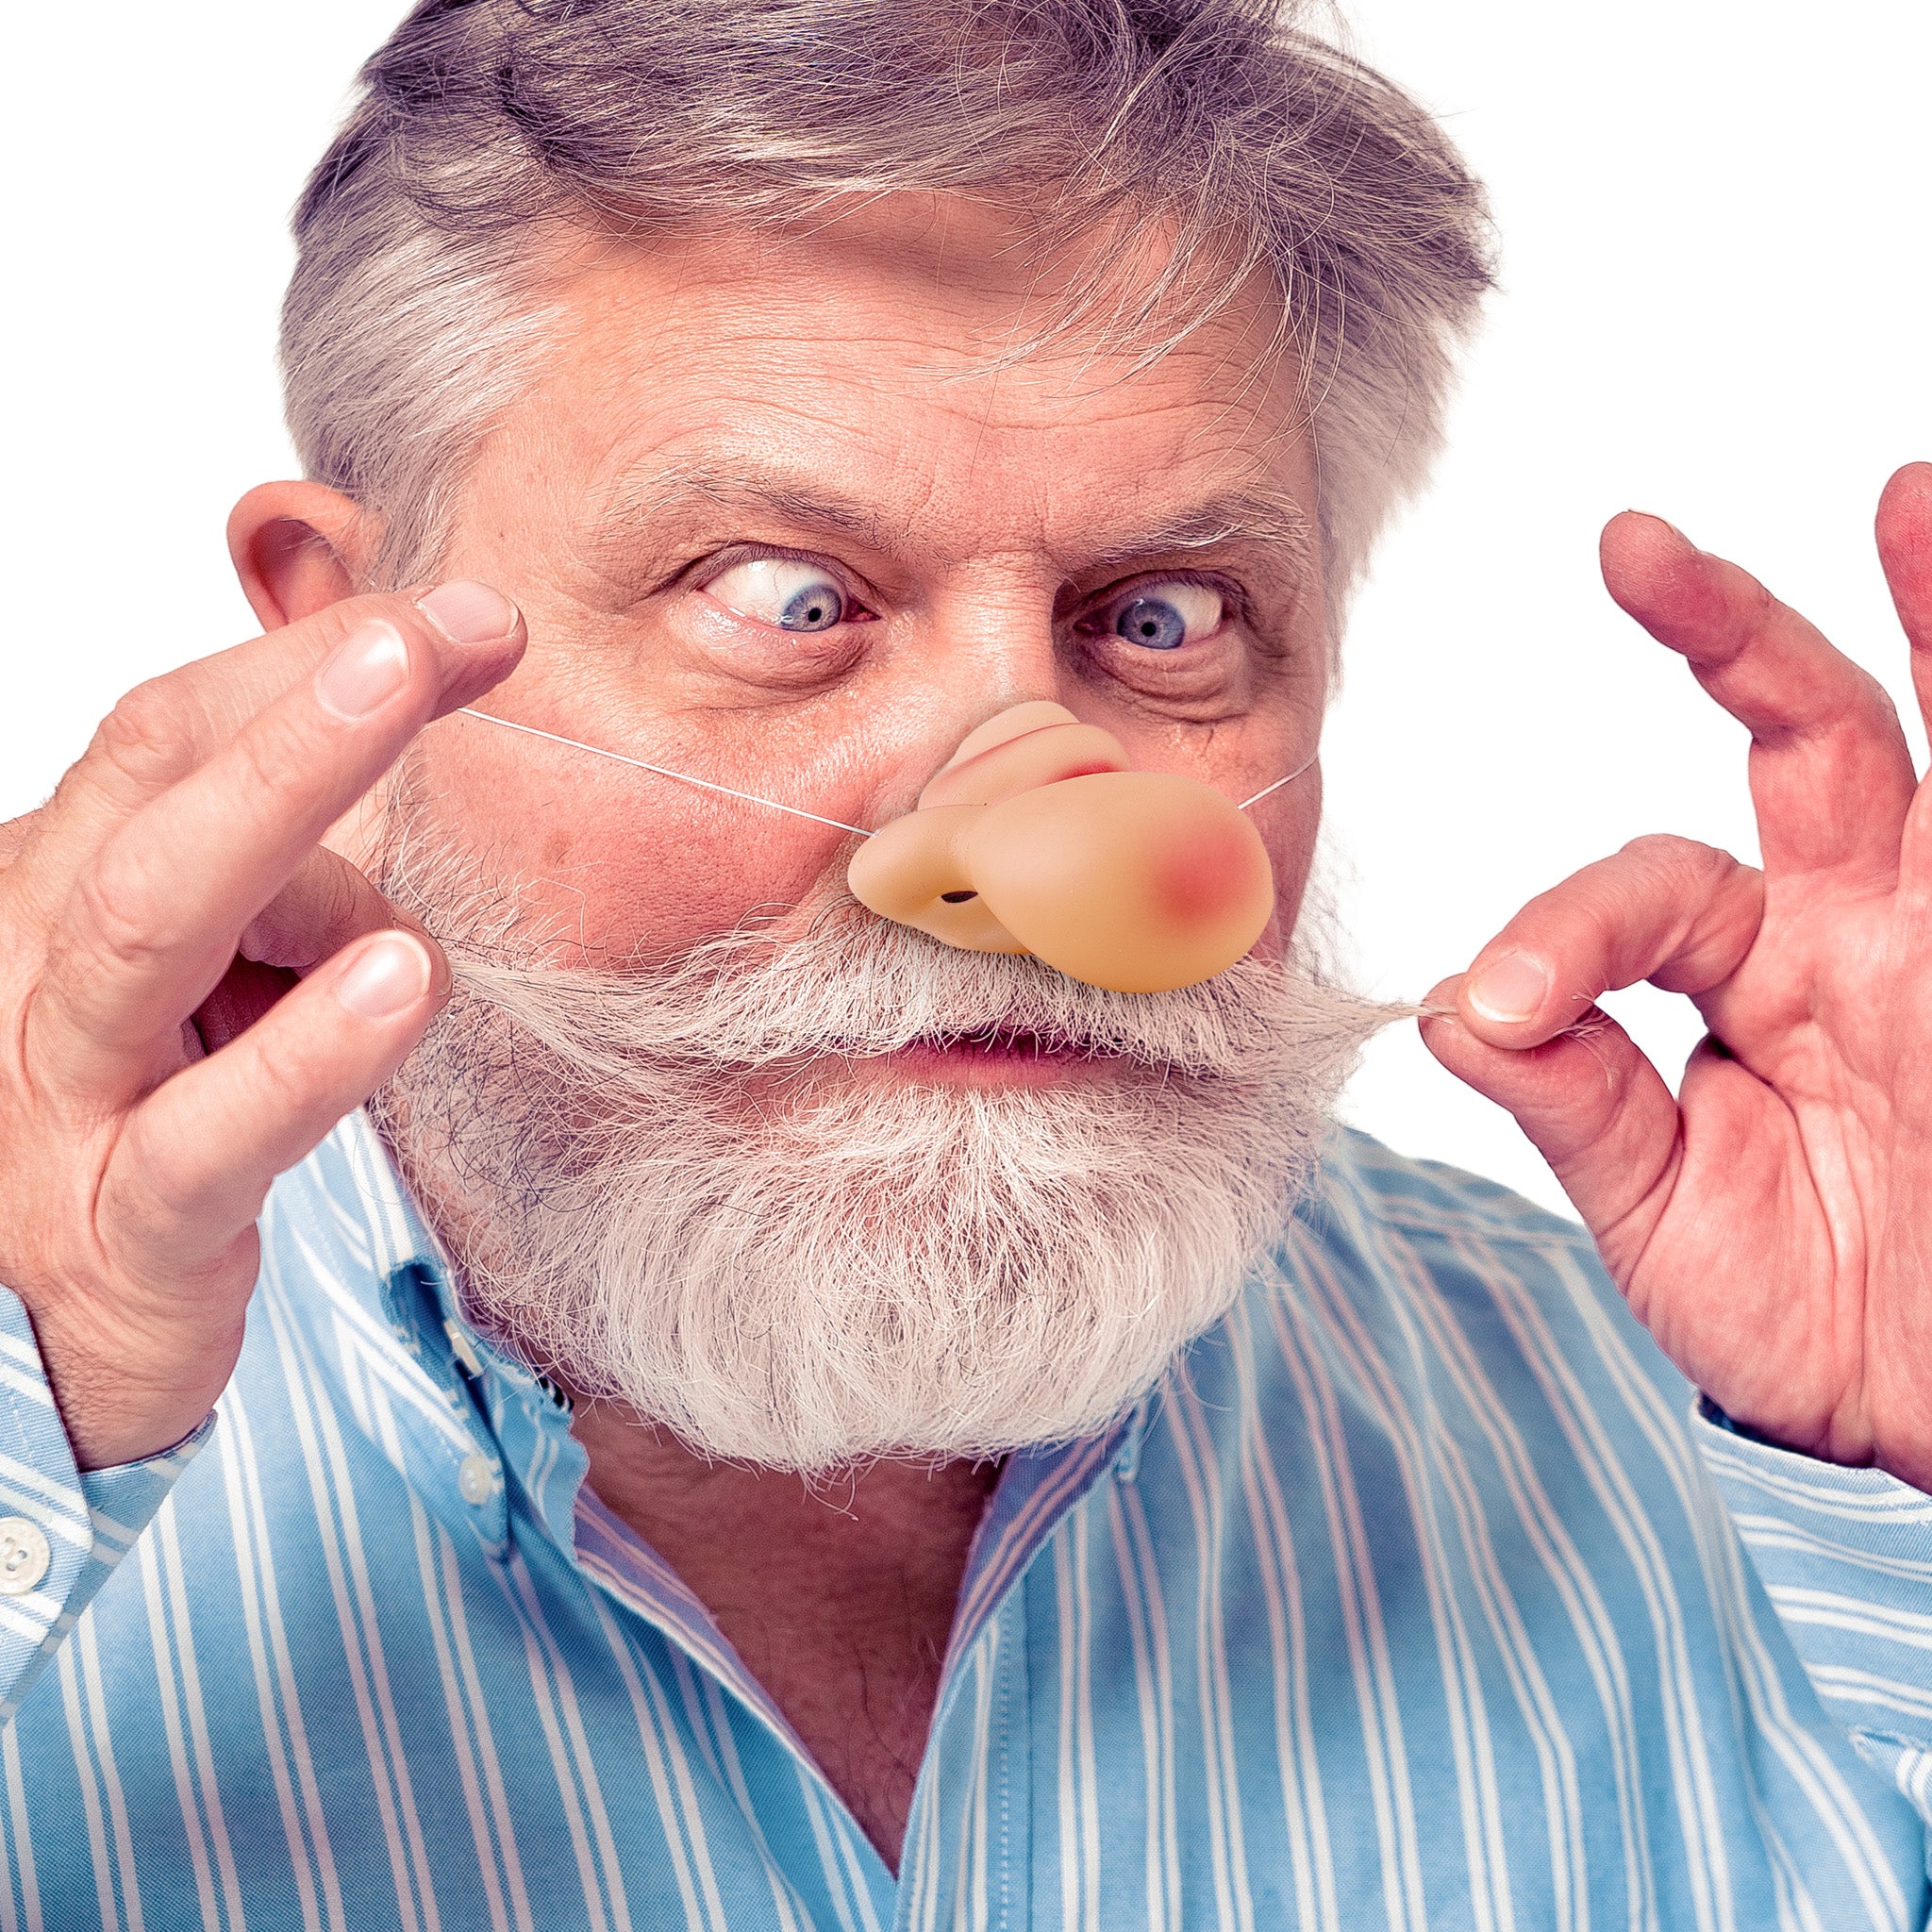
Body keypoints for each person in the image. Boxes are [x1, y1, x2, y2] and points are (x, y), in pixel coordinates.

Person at [5, 0, 1931, 1924]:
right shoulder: (46, 1422)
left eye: (1163, 618)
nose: (1018, 862)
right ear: (337, 661)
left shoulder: (1747, 1451)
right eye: (789, 598)